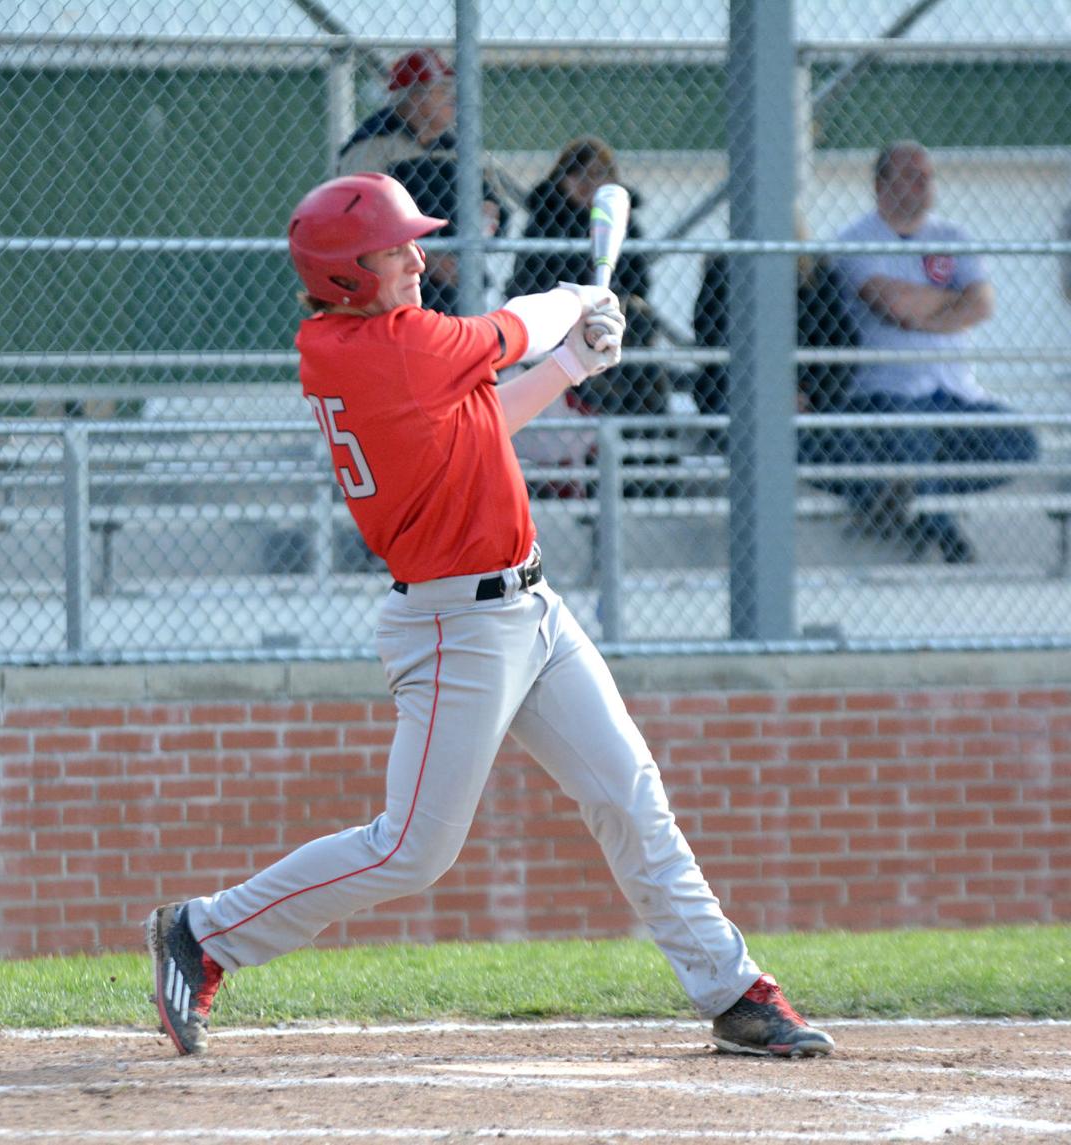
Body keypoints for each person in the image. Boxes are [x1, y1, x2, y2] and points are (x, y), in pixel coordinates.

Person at [144, 171, 835, 1063]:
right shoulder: (391, 345)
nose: (417, 259)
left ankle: (734, 992)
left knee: (629, 793)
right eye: (396, 250)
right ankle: (203, 933)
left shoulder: (365, 344)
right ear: (348, 273)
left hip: (530, 606)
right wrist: (579, 301)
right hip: (456, 629)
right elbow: (510, 327)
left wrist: (572, 365)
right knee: (411, 849)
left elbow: (480, 421)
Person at [834, 140, 1037, 564]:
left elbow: (982, 305)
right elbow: (893, 306)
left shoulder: (952, 237)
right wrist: (952, 301)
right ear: (880, 185)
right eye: (911, 175)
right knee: (913, 442)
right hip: (889, 390)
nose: (924, 183)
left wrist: (923, 310)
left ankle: (919, 509)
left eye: (928, 175)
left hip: (956, 391)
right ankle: (945, 536)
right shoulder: (855, 240)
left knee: (1019, 444)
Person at [337, 49, 509, 314]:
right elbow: (362, 219)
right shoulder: (373, 146)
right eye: (442, 90)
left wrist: (491, 210)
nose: (453, 99)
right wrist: (428, 258)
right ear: (414, 97)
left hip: (460, 281)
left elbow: (496, 204)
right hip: (396, 284)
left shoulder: (457, 147)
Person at [507, 136, 665, 416]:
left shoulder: (624, 222)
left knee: (635, 320)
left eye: (598, 174)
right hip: (561, 311)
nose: (587, 183)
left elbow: (639, 282)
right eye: (577, 173)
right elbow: (528, 282)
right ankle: (590, 403)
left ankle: (641, 426)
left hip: (611, 313)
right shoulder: (545, 220)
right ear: (560, 178)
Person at [691, 216, 857, 459]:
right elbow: (710, 339)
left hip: (804, 397)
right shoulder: (722, 272)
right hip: (736, 394)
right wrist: (768, 392)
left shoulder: (815, 275)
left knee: (833, 441)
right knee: (772, 437)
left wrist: (809, 395)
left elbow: (842, 341)